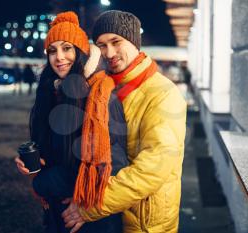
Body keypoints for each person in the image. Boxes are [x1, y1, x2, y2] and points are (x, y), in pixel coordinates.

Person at [62, 10, 187, 233]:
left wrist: (90, 204)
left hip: (142, 222)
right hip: (111, 218)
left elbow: (152, 169)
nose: (109, 52)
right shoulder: (105, 89)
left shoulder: (162, 94)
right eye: (101, 45)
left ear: (134, 42)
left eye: (115, 41)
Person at [14, 11, 128, 233]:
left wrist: (82, 201)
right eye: (52, 51)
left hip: (92, 219)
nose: (59, 57)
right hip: (57, 214)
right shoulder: (51, 92)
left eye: (67, 48)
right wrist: (32, 162)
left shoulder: (101, 96)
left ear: (80, 52)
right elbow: (55, 152)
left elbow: (116, 164)